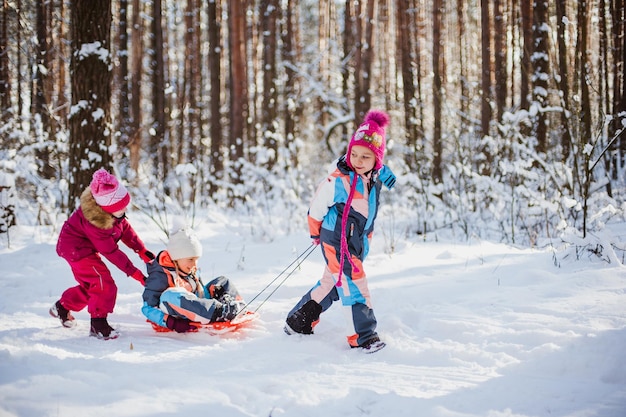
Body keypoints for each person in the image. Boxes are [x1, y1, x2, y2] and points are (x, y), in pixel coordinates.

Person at [284, 109, 396, 352]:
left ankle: (298, 321)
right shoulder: (338, 181)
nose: (357, 160)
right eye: (353, 153)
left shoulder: (372, 174)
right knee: (355, 283)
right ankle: (363, 336)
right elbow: (315, 208)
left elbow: (380, 169)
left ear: (376, 160)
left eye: (365, 157)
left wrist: (387, 175)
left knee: (333, 283)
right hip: (337, 240)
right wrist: (315, 233)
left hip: (356, 241)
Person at [51, 168, 154, 340]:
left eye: (124, 207)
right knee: (103, 283)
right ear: (105, 208)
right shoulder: (96, 223)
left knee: (92, 286)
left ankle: (62, 306)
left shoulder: (111, 213)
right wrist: (135, 273)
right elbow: (111, 252)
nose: (124, 211)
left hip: (84, 246)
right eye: (120, 209)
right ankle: (98, 325)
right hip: (76, 249)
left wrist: (141, 250)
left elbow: (125, 229)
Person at [142, 228, 246, 333]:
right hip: (175, 312)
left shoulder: (188, 269)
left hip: (194, 305)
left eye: (196, 259)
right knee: (169, 295)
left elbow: (199, 293)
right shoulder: (160, 276)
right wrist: (171, 322)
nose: (194, 264)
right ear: (176, 258)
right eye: (190, 259)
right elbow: (148, 308)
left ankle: (232, 305)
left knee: (222, 281)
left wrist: (214, 293)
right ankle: (218, 312)